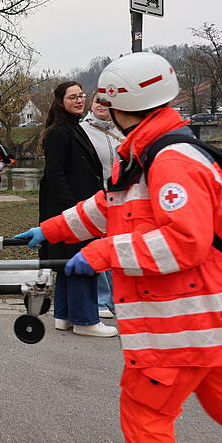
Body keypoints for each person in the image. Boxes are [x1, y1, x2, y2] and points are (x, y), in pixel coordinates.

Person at [17, 52, 222, 443]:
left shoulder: (170, 160)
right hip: (208, 319)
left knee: (146, 415)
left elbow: (184, 241)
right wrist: (51, 230)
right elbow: (110, 207)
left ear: (120, 104)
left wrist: (101, 254)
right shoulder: (147, 151)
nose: (103, 110)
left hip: (184, 320)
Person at [34, 81, 116, 337]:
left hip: (71, 207)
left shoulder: (73, 128)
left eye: (81, 96)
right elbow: (55, 174)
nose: (79, 100)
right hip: (68, 208)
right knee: (83, 260)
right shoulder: (60, 132)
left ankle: (64, 315)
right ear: (61, 102)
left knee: (66, 261)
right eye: (73, 97)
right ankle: (85, 320)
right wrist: (75, 210)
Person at [81, 93, 124, 319]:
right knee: (98, 247)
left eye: (107, 102)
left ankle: (117, 299)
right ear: (91, 104)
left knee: (116, 247)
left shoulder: (121, 131)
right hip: (94, 196)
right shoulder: (83, 130)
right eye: (98, 101)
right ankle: (100, 300)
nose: (101, 105)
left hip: (120, 197)